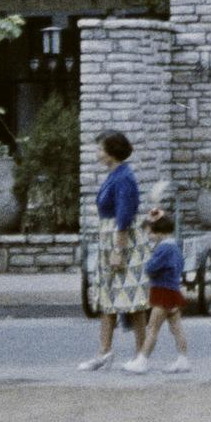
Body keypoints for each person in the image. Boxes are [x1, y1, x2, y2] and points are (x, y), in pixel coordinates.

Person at [78, 130, 150, 371]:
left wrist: (118, 250)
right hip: (110, 238)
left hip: (123, 242)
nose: (97, 153)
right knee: (108, 297)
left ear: (111, 152)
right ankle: (104, 351)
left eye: (100, 148)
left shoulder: (123, 178)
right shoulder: (115, 175)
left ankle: (141, 353)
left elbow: (124, 217)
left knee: (134, 300)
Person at [123, 211, 192, 374]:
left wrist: (148, 262)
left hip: (162, 291)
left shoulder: (163, 249)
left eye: (151, 233)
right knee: (176, 328)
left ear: (158, 232)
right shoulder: (175, 247)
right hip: (173, 290)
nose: (149, 236)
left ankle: (142, 360)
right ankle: (183, 359)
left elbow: (150, 267)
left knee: (152, 328)